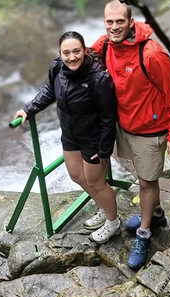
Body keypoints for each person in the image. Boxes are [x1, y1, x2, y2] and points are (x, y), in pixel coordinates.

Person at [90, 0, 170, 269]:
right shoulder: (106, 44)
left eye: (120, 21)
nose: (114, 27)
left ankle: (143, 234)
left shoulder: (153, 53)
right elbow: (81, 58)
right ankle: (154, 214)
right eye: (109, 22)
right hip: (123, 124)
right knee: (138, 171)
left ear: (131, 22)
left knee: (146, 181)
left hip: (150, 129)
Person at [13, 31, 121, 244]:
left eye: (76, 52)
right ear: (60, 53)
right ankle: (103, 208)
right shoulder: (57, 67)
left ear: (84, 50)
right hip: (70, 133)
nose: (71, 57)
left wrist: (104, 148)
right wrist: (29, 109)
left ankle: (113, 222)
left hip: (93, 137)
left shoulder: (98, 77)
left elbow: (109, 116)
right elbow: (49, 90)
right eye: (66, 53)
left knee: (96, 182)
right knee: (77, 176)